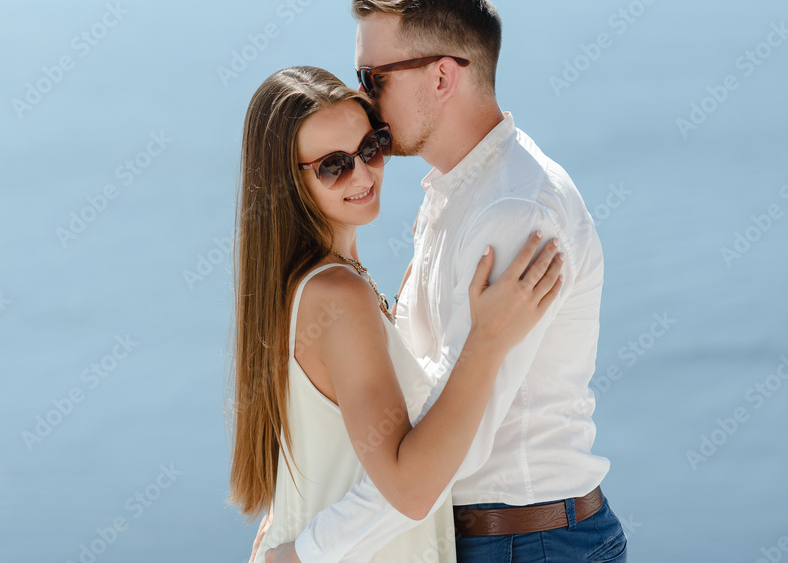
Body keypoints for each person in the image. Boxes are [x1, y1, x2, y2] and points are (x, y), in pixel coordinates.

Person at [264, 0, 627, 563]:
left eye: (373, 77)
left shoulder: (512, 214)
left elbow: (458, 443)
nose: (363, 99)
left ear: (440, 75)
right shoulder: (460, 195)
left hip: (525, 544)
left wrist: (308, 550)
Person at [229, 65, 565, 563]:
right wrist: (487, 341)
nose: (363, 174)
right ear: (286, 183)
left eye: (371, 147)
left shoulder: (309, 287)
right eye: (333, 166)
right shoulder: (338, 294)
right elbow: (410, 489)